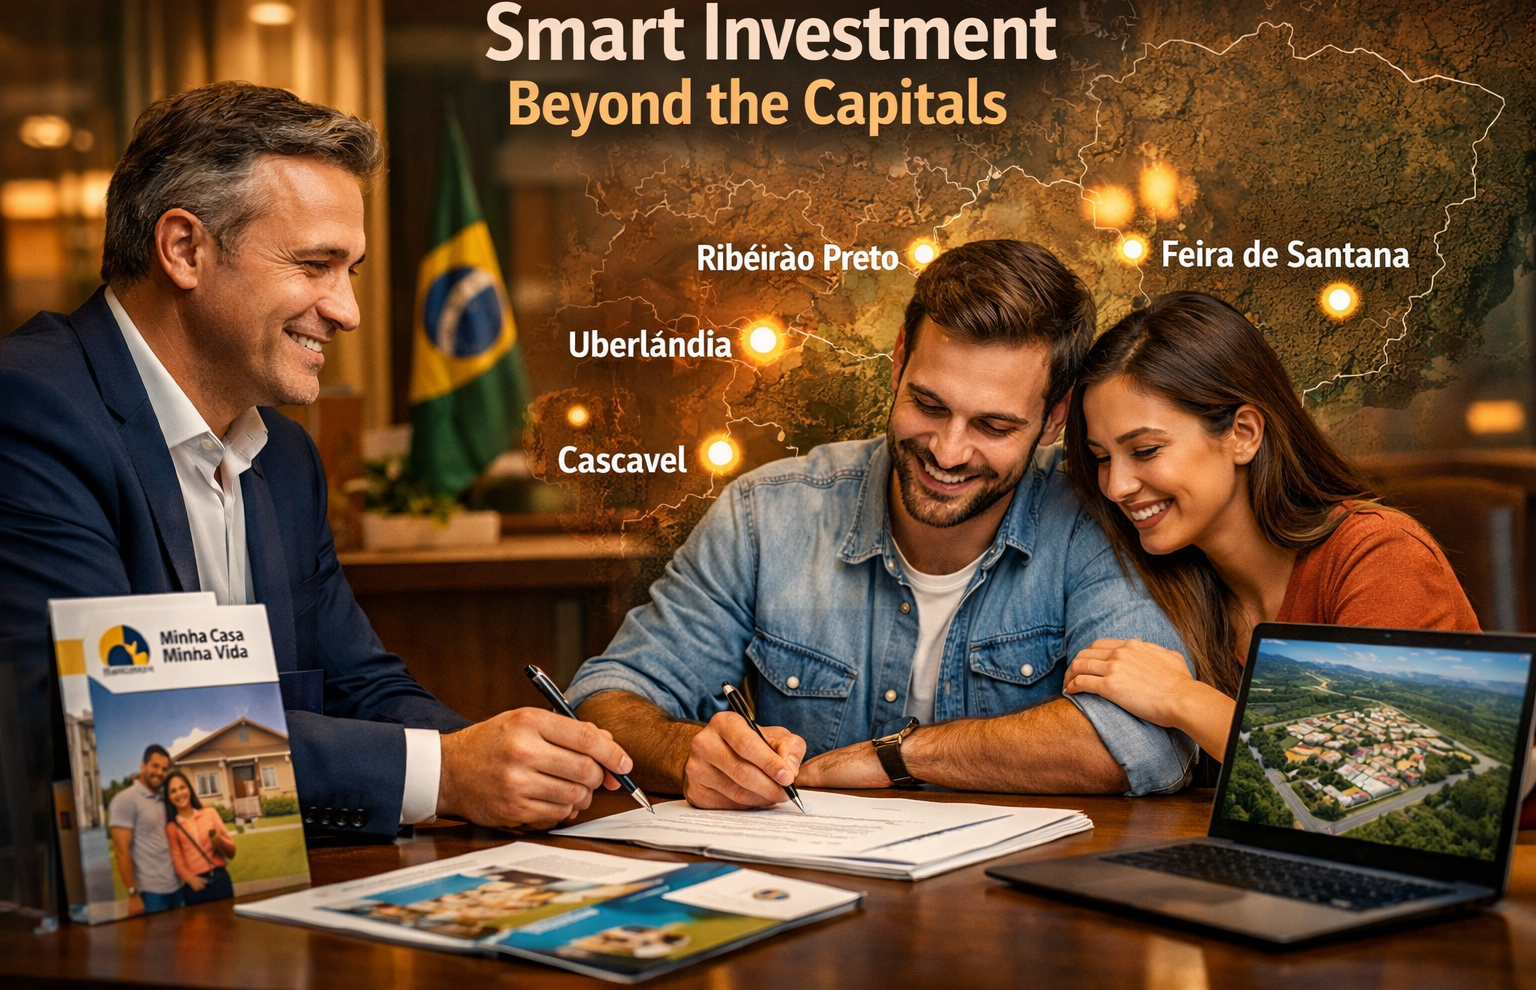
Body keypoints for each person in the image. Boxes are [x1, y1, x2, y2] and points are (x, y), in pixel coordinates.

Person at [0, 81, 632, 835]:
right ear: (184, 249)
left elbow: (356, 685)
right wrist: (447, 774)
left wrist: (510, 758)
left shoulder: (287, 457)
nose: (348, 310)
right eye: (315, 264)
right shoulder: (28, 411)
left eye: (351, 270)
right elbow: (105, 738)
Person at [570, 240, 1198, 807]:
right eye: (929, 404)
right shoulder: (766, 515)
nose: (949, 452)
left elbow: (1143, 742)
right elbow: (609, 697)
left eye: (994, 426)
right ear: (898, 362)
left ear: (1055, 417)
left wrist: (895, 757)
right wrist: (690, 756)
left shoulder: (1099, 519)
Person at [1059, 291, 1480, 761]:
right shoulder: (1174, 586)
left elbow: (1377, 768)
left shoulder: (1379, 555)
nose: (1116, 486)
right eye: (1101, 458)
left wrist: (1182, 698)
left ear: (1243, 434)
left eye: (1145, 450)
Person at [107, 746, 182, 915]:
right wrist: (133, 893)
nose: (160, 772)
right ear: (143, 765)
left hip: (176, 889)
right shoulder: (125, 800)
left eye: (164, 769)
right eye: (155, 766)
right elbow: (121, 851)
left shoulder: (162, 801)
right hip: (151, 894)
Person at [163, 769, 237, 905]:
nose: (179, 793)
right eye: (173, 791)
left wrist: (219, 842)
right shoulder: (172, 827)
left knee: (228, 925)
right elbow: (177, 859)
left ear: (189, 789)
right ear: (168, 797)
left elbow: (232, 852)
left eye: (182, 787)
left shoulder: (210, 813)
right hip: (196, 887)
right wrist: (190, 879)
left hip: (220, 880)